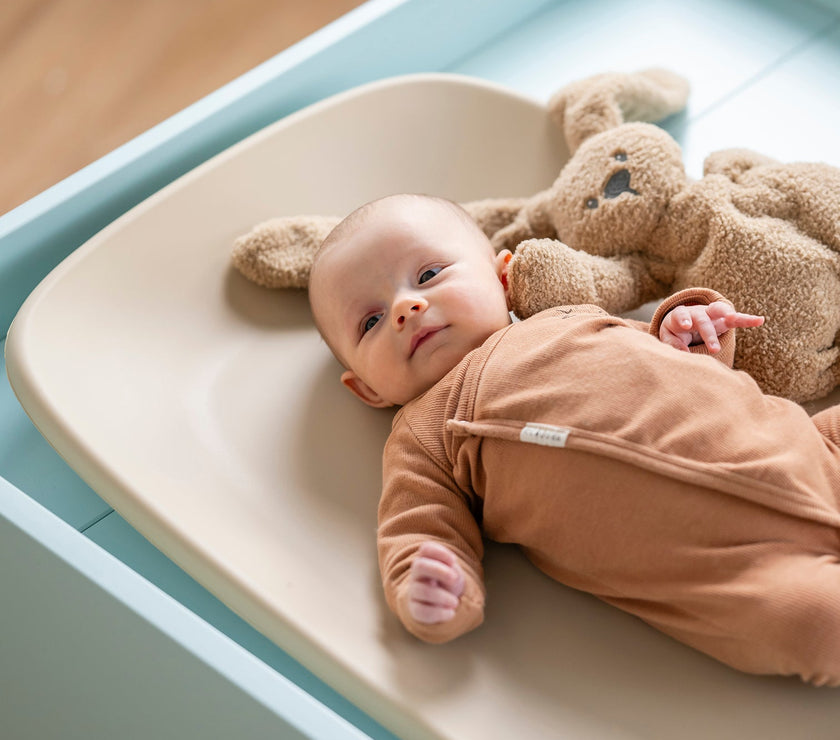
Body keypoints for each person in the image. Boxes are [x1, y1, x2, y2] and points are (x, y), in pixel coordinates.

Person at [308, 193, 840, 686]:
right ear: (367, 390)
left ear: (502, 277)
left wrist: (687, 331)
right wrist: (431, 589)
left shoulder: (568, 319)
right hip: (741, 574)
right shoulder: (422, 438)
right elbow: (416, 529)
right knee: (817, 628)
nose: (406, 308)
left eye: (427, 274)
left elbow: (682, 370)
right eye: (372, 321)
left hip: (807, 448)